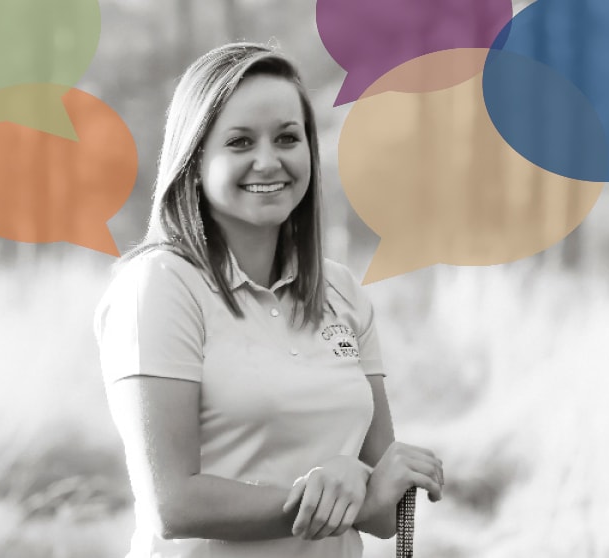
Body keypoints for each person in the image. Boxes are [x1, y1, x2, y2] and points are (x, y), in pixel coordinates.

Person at [93, 42, 445, 558]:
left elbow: (382, 514)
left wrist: (379, 478)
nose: (268, 161)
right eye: (239, 142)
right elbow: (172, 505)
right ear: (193, 161)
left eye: (287, 138)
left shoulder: (341, 291)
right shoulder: (159, 285)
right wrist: (326, 492)